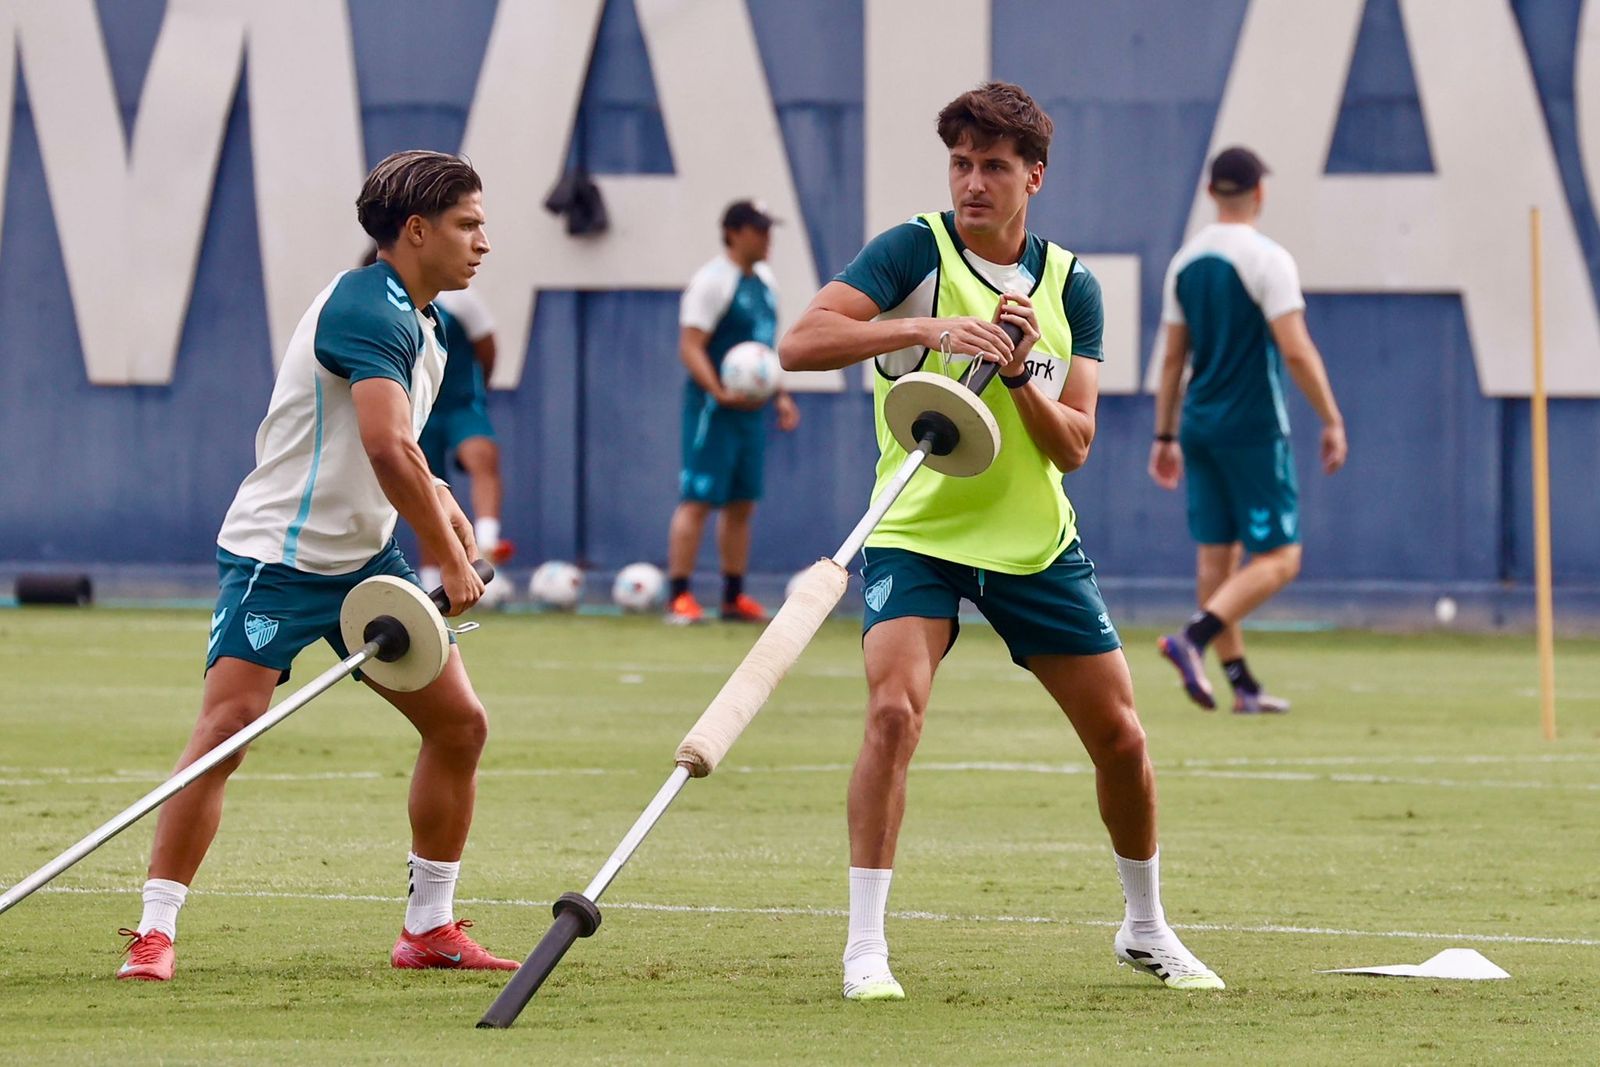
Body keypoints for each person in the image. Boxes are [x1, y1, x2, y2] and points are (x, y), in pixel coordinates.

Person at [779, 82, 1223, 1001]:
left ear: (1035, 177)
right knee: (892, 713)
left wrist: (1022, 376)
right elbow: (802, 340)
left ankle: (1144, 927)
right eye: (960, 164)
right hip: (915, 529)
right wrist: (925, 327)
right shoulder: (915, 248)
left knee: (1124, 740)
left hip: (1033, 542)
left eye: (992, 166)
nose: (972, 182)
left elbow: (1077, 443)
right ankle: (866, 944)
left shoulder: (1072, 286)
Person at [116, 150, 517, 981]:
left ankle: (428, 927)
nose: (484, 240)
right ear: (416, 231)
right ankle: (155, 929)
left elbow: (395, 448)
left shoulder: (423, 316)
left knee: (460, 725)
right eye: (468, 223)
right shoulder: (369, 309)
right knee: (224, 734)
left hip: (365, 561)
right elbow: (383, 444)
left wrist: (440, 502)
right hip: (280, 558)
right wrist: (448, 554)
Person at [1149, 146, 1348, 714]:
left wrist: (1164, 436)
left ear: (1211, 192)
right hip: (1253, 427)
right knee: (1281, 559)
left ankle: (1241, 685)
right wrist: (1331, 418)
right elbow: (1296, 348)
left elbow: (1171, 361)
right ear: (1260, 193)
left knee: (1218, 559)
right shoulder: (1268, 260)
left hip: (1198, 424)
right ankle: (1194, 638)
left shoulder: (1185, 263)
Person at [664, 200, 801, 624]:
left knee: (743, 504)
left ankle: (732, 596)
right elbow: (690, 346)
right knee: (698, 500)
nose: (767, 239)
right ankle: (680, 595)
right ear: (734, 233)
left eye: (768, 230)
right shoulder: (712, 282)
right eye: (758, 230)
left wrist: (780, 393)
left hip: (751, 412)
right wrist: (718, 390)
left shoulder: (764, 281)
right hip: (714, 411)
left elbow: (763, 349)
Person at [417, 283, 513, 598]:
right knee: (424, 489)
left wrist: (477, 389)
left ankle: (485, 547)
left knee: (481, 455)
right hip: (418, 409)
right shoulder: (384, 309)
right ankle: (431, 582)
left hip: (460, 403)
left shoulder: (459, 301)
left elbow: (487, 347)